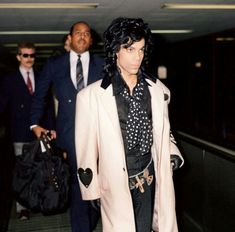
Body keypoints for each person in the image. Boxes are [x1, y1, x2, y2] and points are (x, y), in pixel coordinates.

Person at [75, 17, 184, 232]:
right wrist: (92, 189)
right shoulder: (91, 96)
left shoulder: (157, 90)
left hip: (149, 175)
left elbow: (164, 129)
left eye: (141, 50)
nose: (138, 57)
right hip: (115, 181)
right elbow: (85, 147)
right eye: (130, 49)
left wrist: (171, 153)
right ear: (116, 50)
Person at [30, 21, 103, 232]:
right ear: (69, 38)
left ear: (91, 40)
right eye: (78, 33)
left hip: (98, 136)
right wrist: (35, 124)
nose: (82, 36)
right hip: (68, 136)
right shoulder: (55, 64)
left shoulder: (103, 65)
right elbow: (40, 96)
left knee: (96, 185)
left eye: (87, 33)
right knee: (76, 186)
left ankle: (91, 219)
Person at [0, 42, 55, 220]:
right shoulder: (9, 80)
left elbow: (47, 106)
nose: (29, 59)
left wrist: (52, 127)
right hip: (20, 133)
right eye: (25, 55)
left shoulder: (41, 77)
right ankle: (22, 207)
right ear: (18, 57)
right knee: (21, 171)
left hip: (40, 133)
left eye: (32, 55)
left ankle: (39, 200)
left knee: (41, 168)